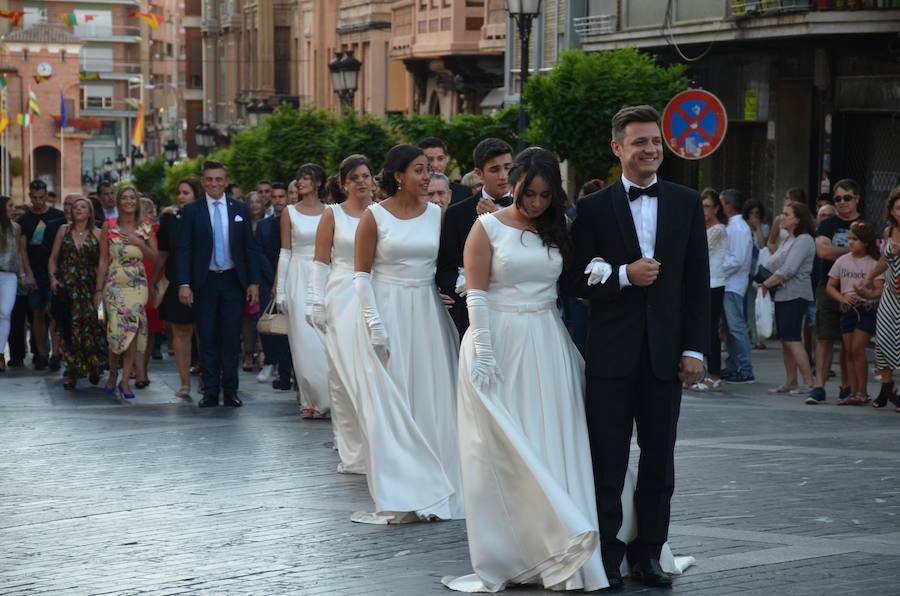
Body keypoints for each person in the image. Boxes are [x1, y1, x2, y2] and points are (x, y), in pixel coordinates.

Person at [444, 147, 613, 591]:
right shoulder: (486, 227)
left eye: (544, 195)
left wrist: (597, 266)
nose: (536, 203)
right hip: (498, 342)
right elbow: (475, 291)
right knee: (504, 447)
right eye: (528, 194)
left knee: (551, 440)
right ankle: (515, 550)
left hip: (548, 342)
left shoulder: (558, 228)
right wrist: (481, 346)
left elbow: (571, 280)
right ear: (513, 184)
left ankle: (560, 540)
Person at [566, 105, 708, 588]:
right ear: (618, 148)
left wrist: (696, 349)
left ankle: (649, 552)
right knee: (607, 459)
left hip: (667, 354)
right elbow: (574, 279)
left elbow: (696, 283)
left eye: (655, 142)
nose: (650, 150)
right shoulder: (591, 208)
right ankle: (607, 554)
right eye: (639, 142)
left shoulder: (687, 203)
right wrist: (625, 276)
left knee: (659, 459)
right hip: (610, 353)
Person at [351, 144, 463, 523]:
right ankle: (401, 489)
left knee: (433, 397)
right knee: (394, 400)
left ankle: (437, 487)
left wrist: (451, 289)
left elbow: (443, 265)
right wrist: (374, 323)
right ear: (398, 175)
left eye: (429, 171)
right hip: (389, 310)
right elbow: (361, 275)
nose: (427, 178)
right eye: (419, 170)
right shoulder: (374, 217)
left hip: (427, 313)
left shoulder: (436, 213)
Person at [308, 154, 374, 474]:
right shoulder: (332, 215)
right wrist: (315, 301)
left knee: (373, 371)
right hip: (342, 294)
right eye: (356, 177)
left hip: (376, 293)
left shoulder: (382, 212)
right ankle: (353, 450)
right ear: (345, 183)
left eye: (367, 176)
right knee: (345, 373)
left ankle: (377, 441)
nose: (363, 182)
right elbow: (321, 260)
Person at [176, 161, 261, 408]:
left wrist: (253, 282)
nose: (214, 183)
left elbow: (249, 247)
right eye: (209, 179)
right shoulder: (192, 210)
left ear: (225, 181)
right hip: (205, 282)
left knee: (232, 337)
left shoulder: (240, 208)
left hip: (233, 281)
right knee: (208, 337)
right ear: (203, 182)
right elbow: (184, 248)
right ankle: (210, 391)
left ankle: (231, 391)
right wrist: (184, 283)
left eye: (218, 179)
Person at [437, 138, 513, 337]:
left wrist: (497, 216)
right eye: (495, 170)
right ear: (479, 173)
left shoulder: (527, 207)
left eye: (508, 167)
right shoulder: (458, 214)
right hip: (471, 315)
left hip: (516, 306)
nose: (504, 176)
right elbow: (447, 268)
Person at [275, 165, 330, 418]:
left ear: (318, 183)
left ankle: (330, 399)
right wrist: (280, 290)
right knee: (302, 342)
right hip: (297, 276)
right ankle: (309, 400)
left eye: (306, 179)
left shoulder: (330, 212)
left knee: (323, 341)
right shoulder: (289, 212)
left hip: (324, 276)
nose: (300, 183)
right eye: (299, 178)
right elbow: (285, 252)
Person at [94, 187, 158, 400]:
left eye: (133, 198)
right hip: (114, 284)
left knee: (131, 332)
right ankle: (113, 373)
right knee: (115, 331)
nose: (129, 201)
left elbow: (156, 258)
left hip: (137, 285)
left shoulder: (146, 226)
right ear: (118, 202)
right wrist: (99, 289)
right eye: (124, 198)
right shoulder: (108, 226)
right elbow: (103, 260)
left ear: (137, 201)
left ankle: (125, 381)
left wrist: (140, 243)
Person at [806, 179, 863, 404]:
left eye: (847, 198)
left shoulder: (865, 223)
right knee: (825, 337)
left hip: (857, 288)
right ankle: (818, 386)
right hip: (828, 286)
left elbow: (871, 253)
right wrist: (855, 249)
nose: (842, 202)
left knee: (849, 340)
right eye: (838, 198)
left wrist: (837, 250)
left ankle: (847, 386)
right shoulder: (828, 224)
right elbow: (823, 251)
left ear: (857, 198)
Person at [47, 197, 106, 389]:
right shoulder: (63, 231)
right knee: (68, 327)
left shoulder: (98, 233)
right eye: (75, 207)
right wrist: (53, 279)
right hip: (68, 288)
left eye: (83, 207)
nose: (78, 209)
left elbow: (103, 263)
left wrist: (100, 289)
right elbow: (53, 258)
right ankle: (72, 370)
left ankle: (94, 366)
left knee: (93, 326)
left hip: (90, 288)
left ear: (90, 212)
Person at [759, 202, 817, 394]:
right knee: (786, 339)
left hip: (795, 294)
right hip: (783, 295)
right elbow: (772, 263)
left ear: (797, 219)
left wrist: (767, 283)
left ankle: (809, 382)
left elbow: (789, 269)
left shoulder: (804, 239)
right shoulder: (789, 239)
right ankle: (791, 381)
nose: (781, 217)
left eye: (786, 214)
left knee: (793, 338)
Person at [154, 177, 202, 399]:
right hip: (176, 281)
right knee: (180, 332)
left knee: (205, 332)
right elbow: (163, 253)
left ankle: (206, 379)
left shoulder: (206, 216)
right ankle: (184, 383)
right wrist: (154, 280)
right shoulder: (169, 219)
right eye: (179, 193)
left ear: (196, 195)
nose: (181, 197)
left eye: (186, 193)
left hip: (203, 280)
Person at [826, 221, 884, 405]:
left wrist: (866, 294)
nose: (851, 243)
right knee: (849, 351)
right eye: (849, 239)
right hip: (847, 309)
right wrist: (842, 298)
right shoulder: (842, 261)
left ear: (865, 242)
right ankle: (852, 390)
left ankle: (863, 391)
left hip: (865, 309)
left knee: (858, 348)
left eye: (855, 239)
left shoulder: (874, 263)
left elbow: (879, 290)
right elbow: (830, 286)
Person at [859, 186, 900, 409]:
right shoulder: (888, 232)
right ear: (891, 211)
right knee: (883, 340)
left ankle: (891, 392)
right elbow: (885, 260)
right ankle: (887, 386)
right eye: (899, 208)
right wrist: (869, 278)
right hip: (891, 294)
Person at [18, 179, 64, 371]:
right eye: (34, 197)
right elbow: (22, 250)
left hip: (54, 271)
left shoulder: (58, 217)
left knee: (54, 313)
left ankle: (56, 353)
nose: (37, 201)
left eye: (41, 197)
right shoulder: (24, 220)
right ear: (30, 196)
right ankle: (41, 354)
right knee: (37, 312)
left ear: (46, 196)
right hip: (35, 271)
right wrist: (27, 274)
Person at [254, 183, 295, 391]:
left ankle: (286, 370)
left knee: (291, 327)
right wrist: (272, 279)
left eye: (282, 196)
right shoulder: (263, 225)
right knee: (270, 324)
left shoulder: (296, 220)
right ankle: (271, 362)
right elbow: (259, 252)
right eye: (275, 196)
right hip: (267, 279)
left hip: (293, 278)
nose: (278, 200)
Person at [690, 188, 727, 392]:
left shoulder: (718, 229)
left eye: (707, 206)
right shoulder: (703, 228)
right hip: (704, 284)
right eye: (701, 206)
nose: (703, 211)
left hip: (714, 283)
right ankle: (702, 372)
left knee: (711, 330)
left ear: (716, 208)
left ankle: (714, 375)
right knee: (703, 328)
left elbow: (700, 250)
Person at [719, 189, 755, 384]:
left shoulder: (738, 227)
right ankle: (733, 365)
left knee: (736, 327)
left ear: (729, 206)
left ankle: (745, 368)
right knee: (729, 327)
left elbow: (737, 259)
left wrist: (718, 270)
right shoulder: (734, 226)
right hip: (728, 283)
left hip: (732, 284)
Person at [0, 196, 36, 372]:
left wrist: (23, 274)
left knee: (6, 313)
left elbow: (20, 253)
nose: (14, 209)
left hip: (10, 276)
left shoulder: (16, 228)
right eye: (10, 206)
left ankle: (0, 354)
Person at [241, 190, 268, 372]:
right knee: (247, 318)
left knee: (263, 316)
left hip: (265, 275)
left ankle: (263, 352)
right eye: (251, 202)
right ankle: (248, 353)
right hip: (246, 277)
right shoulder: (241, 225)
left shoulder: (269, 225)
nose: (255, 205)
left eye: (258, 201)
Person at [417, 136, 470, 205]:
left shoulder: (463, 192)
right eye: (430, 160)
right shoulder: (411, 193)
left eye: (440, 159)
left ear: (446, 159)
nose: (435, 165)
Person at [767, 187, 807, 253]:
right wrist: (778, 256)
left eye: (792, 198)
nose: (788, 201)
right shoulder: (779, 220)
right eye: (786, 198)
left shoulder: (807, 220)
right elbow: (771, 242)